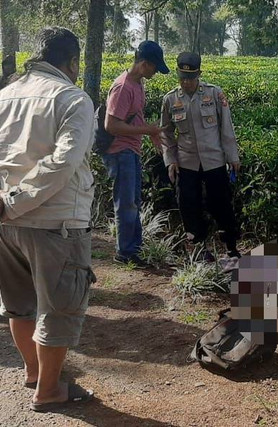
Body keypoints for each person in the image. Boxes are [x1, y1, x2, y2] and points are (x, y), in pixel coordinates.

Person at [0, 27, 95, 412]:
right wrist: (12, 202)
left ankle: (33, 371)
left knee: (20, 306)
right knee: (57, 309)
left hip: (4, 228)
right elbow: (62, 163)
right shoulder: (73, 99)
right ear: (72, 61)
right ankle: (48, 391)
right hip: (55, 224)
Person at [160, 52, 241, 270]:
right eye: (182, 77)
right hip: (187, 162)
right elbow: (166, 133)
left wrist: (232, 156)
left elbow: (226, 126)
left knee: (221, 203)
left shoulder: (215, 94)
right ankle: (198, 247)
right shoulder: (170, 99)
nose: (186, 82)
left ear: (199, 74)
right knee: (189, 205)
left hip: (214, 159)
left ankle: (231, 248)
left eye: (191, 77)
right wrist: (171, 160)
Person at [103, 40, 169, 267]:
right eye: (154, 67)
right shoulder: (123, 88)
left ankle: (134, 249)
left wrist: (150, 134)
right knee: (126, 203)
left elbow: (134, 117)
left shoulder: (138, 84)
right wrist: (147, 130)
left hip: (132, 150)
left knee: (134, 201)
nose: (155, 72)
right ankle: (125, 252)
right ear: (144, 64)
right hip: (120, 152)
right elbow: (111, 126)